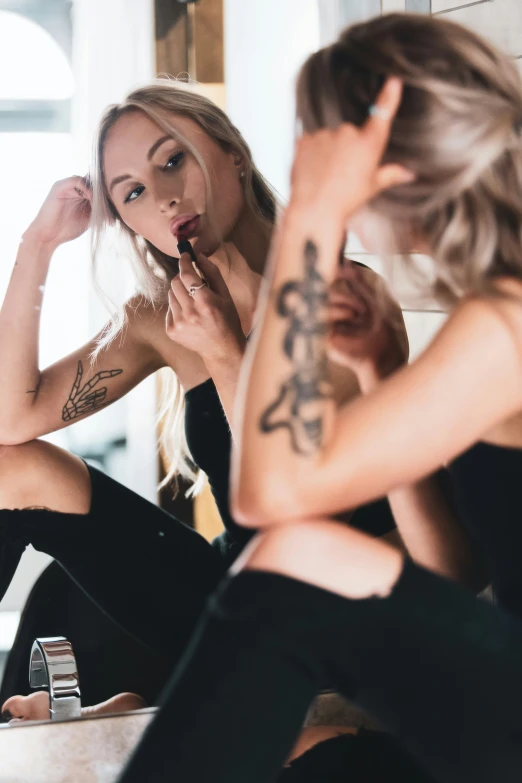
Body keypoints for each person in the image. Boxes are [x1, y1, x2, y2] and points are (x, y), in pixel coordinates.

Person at [115, 14, 522, 783]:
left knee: (290, 566)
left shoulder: (504, 321)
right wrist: (379, 371)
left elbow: (270, 493)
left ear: (385, 163)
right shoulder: (493, 311)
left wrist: (310, 216)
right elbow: (454, 570)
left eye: (322, 152)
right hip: (495, 672)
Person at [0, 81, 402, 711]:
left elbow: (294, 499)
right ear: (127, 221)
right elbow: (12, 417)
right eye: (131, 191)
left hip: (329, 601)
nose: (162, 197)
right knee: (10, 469)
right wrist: (37, 246)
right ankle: (134, 699)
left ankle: (140, 700)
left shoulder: (342, 297)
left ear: (233, 153)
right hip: (225, 588)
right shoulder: (159, 317)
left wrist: (224, 351)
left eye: (173, 159)